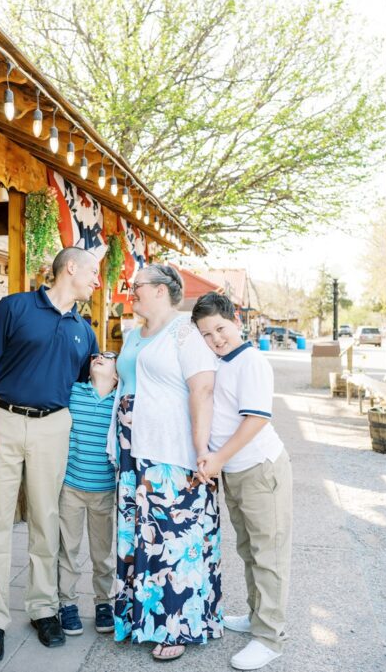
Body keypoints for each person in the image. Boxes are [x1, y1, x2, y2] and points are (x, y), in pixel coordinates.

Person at [0, 247, 101, 664]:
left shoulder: (86, 329)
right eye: (94, 272)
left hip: (54, 427)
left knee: (47, 519)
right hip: (4, 421)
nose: (98, 280)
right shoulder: (15, 307)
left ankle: (42, 609)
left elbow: (89, 386)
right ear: (71, 268)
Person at [108, 263, 223, 662]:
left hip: (170, 450)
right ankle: (137, 618)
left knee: (173, 535)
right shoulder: (132, 333)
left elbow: (203, 390)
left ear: (160, 290)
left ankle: (177, 625)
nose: (130, 292)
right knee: (138, 533)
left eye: (135, 286)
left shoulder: (184, 333)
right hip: (133, 448)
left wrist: (201, 450)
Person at [193, 292, 293, 671]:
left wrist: (217, 458)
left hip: (259, 470)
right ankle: (256, 616)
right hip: (234, 471)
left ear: (235, 320)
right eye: (206, 334)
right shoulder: (222, 362)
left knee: (269, 555)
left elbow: (256, 419)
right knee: (250, 551)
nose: (216, 338)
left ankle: (269, 637)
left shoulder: (250, 361)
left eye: (220, 328)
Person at [56, 350, 119, 637]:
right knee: (67, 550)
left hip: (104, 490)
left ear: (117, 375)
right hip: (71, 486)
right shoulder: (74, 391)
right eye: (96, 355)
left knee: (102, 554)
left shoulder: (120, 402)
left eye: (109, 356)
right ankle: (67, 603)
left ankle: (104, 602)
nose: (99, 356)